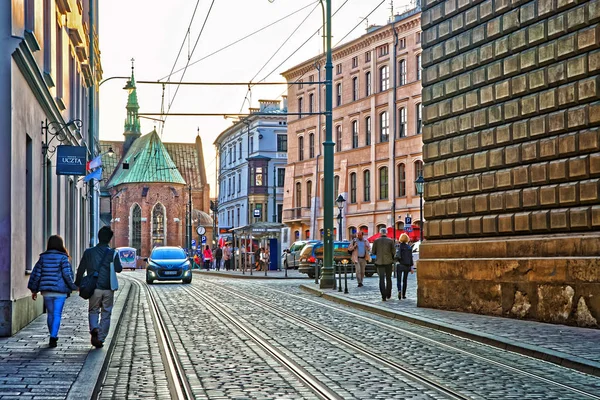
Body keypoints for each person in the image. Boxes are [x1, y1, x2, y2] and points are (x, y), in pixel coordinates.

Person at [75, 227, 122, 349]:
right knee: (106, 312)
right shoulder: (112, 253)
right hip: (108, 287)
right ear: (110, 239)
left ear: (98, 237)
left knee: (93, 310)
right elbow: (119, 269)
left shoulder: (89, 252)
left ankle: (94, 328)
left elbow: (81, 269)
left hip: (94, 287)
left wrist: (78, 283)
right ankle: (100, 338)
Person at [27, 235, 78, 348]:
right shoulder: (63, 258)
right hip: (60, 292)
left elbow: (36, 274)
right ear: (61, 245)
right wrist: (74, 287)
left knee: (50, 314)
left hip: (47, 291)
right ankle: (53, 336)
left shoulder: (43, 258)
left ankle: (52, 334)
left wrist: (34, 289)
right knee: (57, 314)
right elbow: (67, 275)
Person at [370, 227, 395, 301]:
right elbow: (394, 252)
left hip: (379, 262)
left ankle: (383, 296)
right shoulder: (390, 241)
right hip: (388, 262)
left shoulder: (376, 241)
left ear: (380, 233)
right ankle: (388, 294)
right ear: (386, 233)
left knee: (381, 279)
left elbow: (373, 252)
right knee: (388, 278)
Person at [395, 233, 414, 300]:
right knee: (405, 280)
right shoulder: (409, 247)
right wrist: (412, 267)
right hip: (407, 265)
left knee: (399, 280)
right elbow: (411, 258)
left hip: (400, 265)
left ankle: (399, 290)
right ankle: (404, 294)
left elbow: (397, 256)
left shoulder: (399, 246)